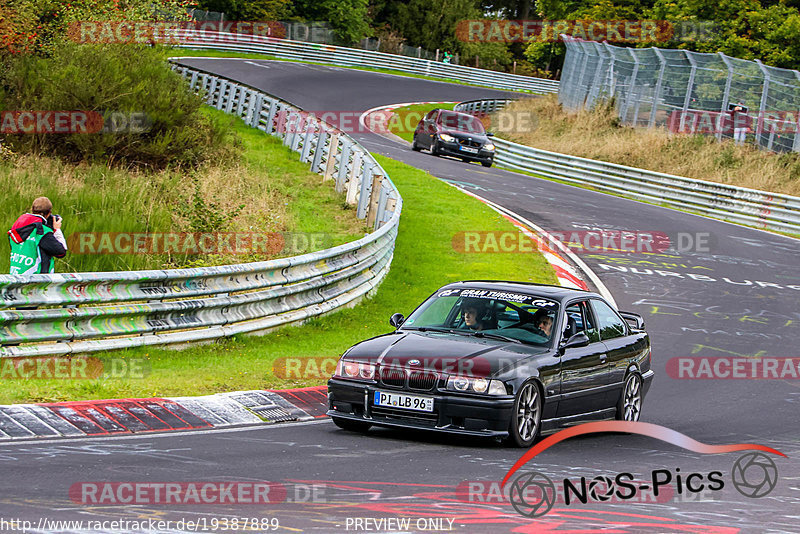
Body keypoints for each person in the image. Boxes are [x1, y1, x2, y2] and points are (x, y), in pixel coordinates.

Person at [8, 197, 68, 274]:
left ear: (32, 210)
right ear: (49, 213)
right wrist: (57, 230)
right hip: (37, 281)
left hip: (15, 279)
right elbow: (61, 252)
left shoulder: (16, 229)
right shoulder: (41, 232)